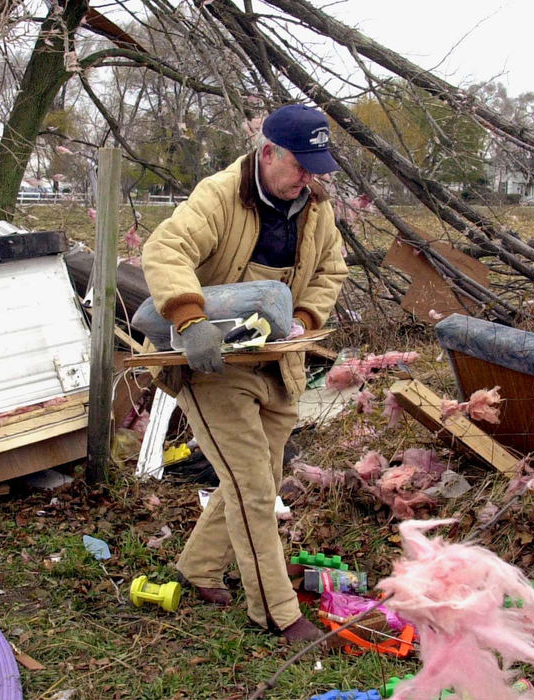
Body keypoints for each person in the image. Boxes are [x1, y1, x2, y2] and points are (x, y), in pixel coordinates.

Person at [141, 104, 348, 642]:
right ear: (268, 151)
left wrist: (303, 320)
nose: (309, 177)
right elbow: (166, 248)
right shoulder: (219, 194)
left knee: (257, 476)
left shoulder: (316, 207)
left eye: (316, 166)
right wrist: (189, 320)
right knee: (254, 487)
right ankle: (275, 610)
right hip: (212, 363)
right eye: (300, 165)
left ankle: (198, 568)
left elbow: (330, 270)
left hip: (279, 361)